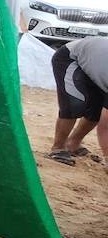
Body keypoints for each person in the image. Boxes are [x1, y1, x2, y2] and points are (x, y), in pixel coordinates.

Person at [46, 37, 108, 166]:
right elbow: (105, 127)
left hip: (96, 64)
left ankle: (73, 144)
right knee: (73, 104)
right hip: (71, 58)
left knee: (95, 110)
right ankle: (58, 148)